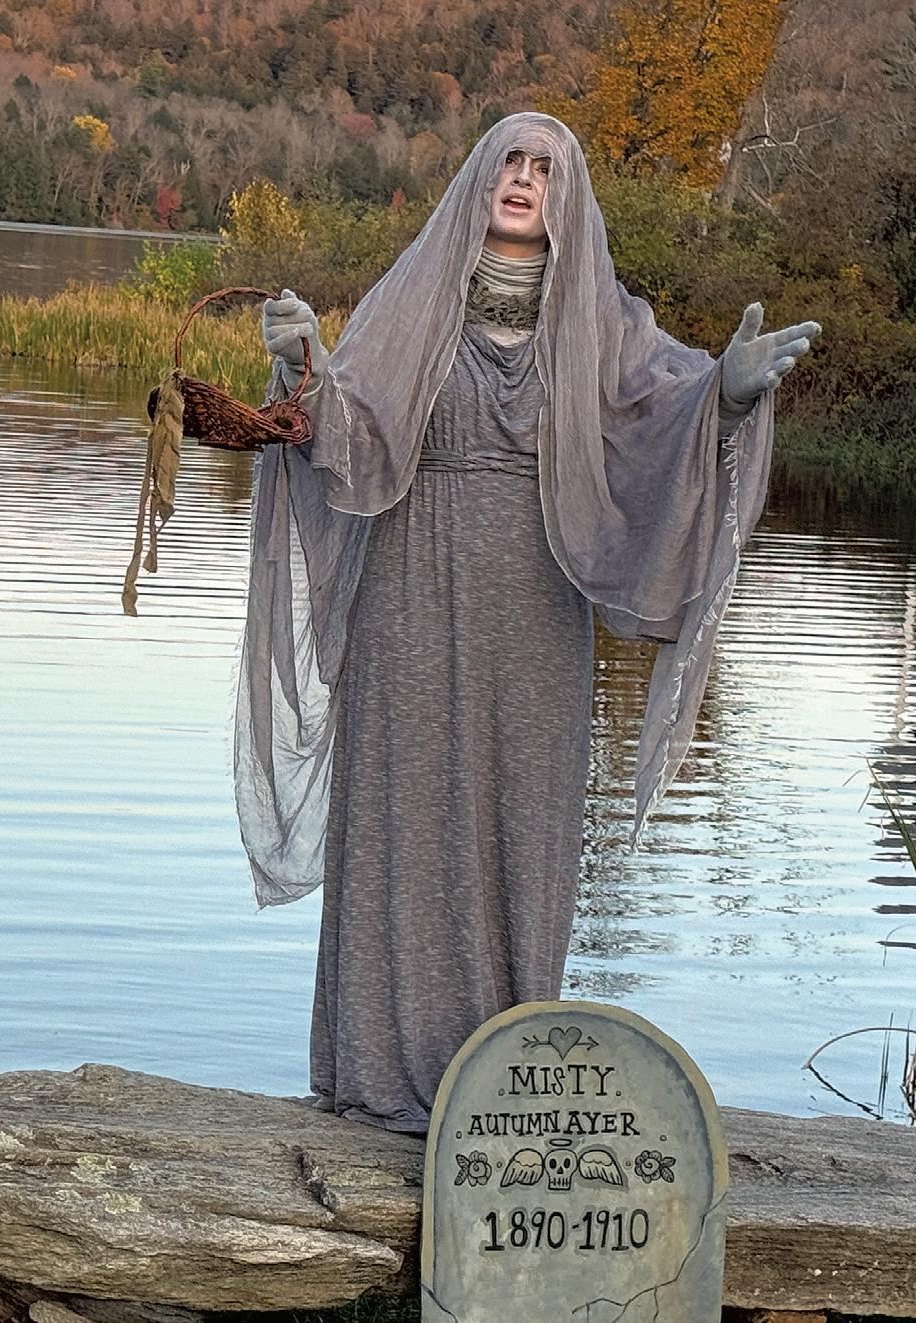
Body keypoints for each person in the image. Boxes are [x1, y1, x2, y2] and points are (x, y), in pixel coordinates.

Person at [237, 111, 817, 1134]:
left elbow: (660, 417)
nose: (522, 178)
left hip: (540, 608)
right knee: (404, 819)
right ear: (478, 178)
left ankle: (499, 1082)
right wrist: (304, 367)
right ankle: (378, 1076)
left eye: (545, 168)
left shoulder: (604, 323)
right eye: (509, 160)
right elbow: (345, 434)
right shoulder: (410, 302)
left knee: (522, 824)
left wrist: (723, 396)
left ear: (567, 196)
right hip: (408, 597)